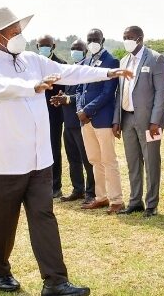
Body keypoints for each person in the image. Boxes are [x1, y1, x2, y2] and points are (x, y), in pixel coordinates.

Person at [0, 7, 132, 295]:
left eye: (20, 31)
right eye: (14, 32)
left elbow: (70, 71)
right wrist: (31, 86)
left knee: (43, 216)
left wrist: (108, 72)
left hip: (38, 160)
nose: (19, 36)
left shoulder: (32, 59)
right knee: (2, 223)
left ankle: (55, 281)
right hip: (4, 161)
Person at [113, 26, 164, 218]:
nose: (127, 40)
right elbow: (120, 92)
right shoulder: (124, 60)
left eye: (130, 37)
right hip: (127, 118)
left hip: (149, 122)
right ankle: (135, 201)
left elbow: (161, 92)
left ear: (140, 39)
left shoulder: (155, 58)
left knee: (152, 161)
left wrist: (155, 120)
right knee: (133, 162)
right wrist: (116, 120)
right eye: (124, 36)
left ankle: (151, 204)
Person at [77, 29, 125, 213]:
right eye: (89, 40)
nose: (92, 42)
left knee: (108, 160)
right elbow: (81, 88)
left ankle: (117, 200)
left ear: (102, 40)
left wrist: (87, 110)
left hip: (102, 119)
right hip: (86, 120)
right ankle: (101, 196)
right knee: (95, 159)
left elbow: (108, 93)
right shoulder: (86, 61)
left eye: (95, 39)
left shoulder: (111, 61)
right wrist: (80, 110)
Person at [50, 39, 95, 203]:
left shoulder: (87, 70)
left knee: (87, 159)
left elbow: (85, 95)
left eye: (78, 48)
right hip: (67, 122)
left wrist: (68, 99)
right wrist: (60, 98)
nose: (75, 51)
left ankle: (91, 192)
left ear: (85, 51)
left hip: (81, 122)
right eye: (73, 48)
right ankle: (78, 189)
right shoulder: (70, 69)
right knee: (73, 159)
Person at [37, 35, 67, 198]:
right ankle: (42, 184)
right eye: (41, 46)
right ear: (36, 46)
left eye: (47, 45)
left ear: (53, 46)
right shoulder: (32, 64)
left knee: (54, 149)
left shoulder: (60, 64)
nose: (44, 48)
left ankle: (56, 186)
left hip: (54, 113)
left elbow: (63, 89)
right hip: (35, 113)